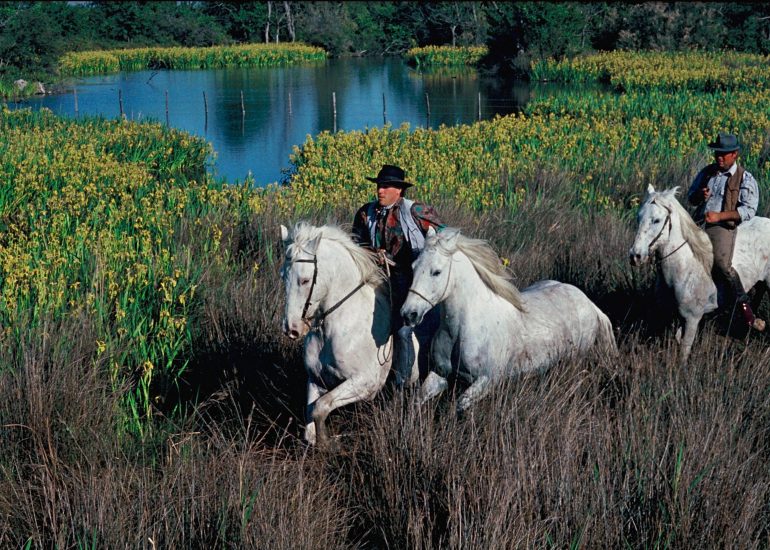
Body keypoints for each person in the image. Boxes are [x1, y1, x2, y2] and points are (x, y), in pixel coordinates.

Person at [352, 164, 445, 385]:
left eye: (386, 186)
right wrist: (374, 254)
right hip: (380, 281)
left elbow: (444, 240)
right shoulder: (366, 213)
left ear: (399, 190)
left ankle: (402, 385)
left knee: (403, 333)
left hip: (415, 284)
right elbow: (354, 246)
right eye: (379, 186)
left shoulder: (417, 211)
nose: (380, 191)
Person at [687, 132, 763, 330]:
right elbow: (691, 198)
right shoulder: (706, 173)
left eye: (724, 154)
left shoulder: (745, 178)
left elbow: (748, 210)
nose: (719, 157)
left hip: (722, 227)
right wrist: (698, 195)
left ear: (735, 154)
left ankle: (743, 306)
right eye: (717, 153)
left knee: (722, 264)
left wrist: (719, 216)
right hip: (699, 222)